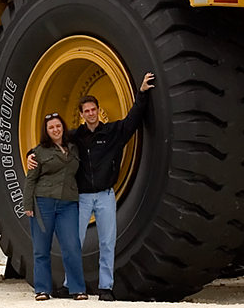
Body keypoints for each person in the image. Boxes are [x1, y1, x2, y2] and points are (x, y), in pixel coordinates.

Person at [28, 73, 154, 301]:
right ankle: (69, 285)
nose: (90, 113)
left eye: (93, 109)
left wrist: (142, 93)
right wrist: (30, 154)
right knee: (73, 243)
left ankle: (106, 287)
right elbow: (49, 143)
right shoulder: (74, 137)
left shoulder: (113, 132)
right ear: (81, 114)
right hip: (82, 198)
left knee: (107, 241)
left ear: (98, 110)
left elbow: (134, 119)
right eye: (86, 111)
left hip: (106, 196)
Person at [22, 112, 87, 301]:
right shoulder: (39, 152)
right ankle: (42, 289)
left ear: (63, 127)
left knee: (72, 246)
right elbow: (30, 179)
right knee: (41, 248)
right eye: (51, 127)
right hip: (44, 202)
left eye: (58, 126)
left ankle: (77, 289)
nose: (55, 130)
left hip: (68, 203)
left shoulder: (73, 148)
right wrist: (28, 205)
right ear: (46, 131)